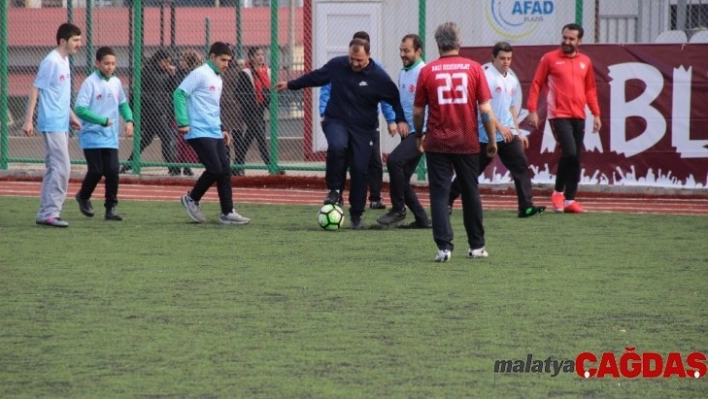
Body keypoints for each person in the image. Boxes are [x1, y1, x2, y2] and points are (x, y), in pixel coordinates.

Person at [276, 38, 408, 229]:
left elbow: (394, 99)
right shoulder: (338, 65)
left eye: (359, 60)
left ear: (368, 57)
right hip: (335, 120)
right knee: (338, 146)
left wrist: (400, 119)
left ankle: (356, 215)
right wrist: (291, 84)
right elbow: (316, 77)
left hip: (364, 129)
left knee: (359, 170)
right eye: (352, 58)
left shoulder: (378, 77)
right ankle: (335, 190)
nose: (354, 63)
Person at [413, 21, 498, 262]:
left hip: (437, 141)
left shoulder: (427, 71)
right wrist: (491, 139)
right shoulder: (473, 69)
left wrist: (419, 135)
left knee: (439, 194)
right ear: (459, 43)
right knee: (470, 191)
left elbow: (418, 111)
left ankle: (444, 248)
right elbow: (485, 110)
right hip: (466, 140)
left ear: (438, 44)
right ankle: (476, 246)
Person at [448, 42, 546, 218]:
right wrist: (500, 127)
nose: (506, 62)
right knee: (470, 173)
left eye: (509, 58)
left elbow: (511, 108)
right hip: (486, 135)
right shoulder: (487, 77)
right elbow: (484, 107)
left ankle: (525, 206)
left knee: (520, 165)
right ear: (493, 58)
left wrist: (517, 131)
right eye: (502, 58)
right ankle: (448, 200)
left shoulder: (512, 80)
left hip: (508, 134)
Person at [527, 23, 601, 214]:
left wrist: (596, 113)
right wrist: (532, 110)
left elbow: (590, 89)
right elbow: (536, 83)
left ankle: (570, 200)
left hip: (579, 115)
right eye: (565, 37)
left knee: (576, 158)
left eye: (571, 39)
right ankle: (558, 193)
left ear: (579, 41)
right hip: (558, 114)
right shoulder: (549, 59)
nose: (566, 41)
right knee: (569, 152)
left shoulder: (586, 61)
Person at [174, 41, 251, 225]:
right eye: (223, 60)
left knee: (224, 170)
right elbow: (179, 94)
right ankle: (191, 199)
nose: (226, 64)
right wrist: (183, 122)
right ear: (212, 57)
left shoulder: (218, 78)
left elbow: (212, 107)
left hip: (214, 130)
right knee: (215, 169)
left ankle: (227, 212)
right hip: (198, 131)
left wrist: (222, 128)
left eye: (228, 60)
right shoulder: (200, 73)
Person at [319, 31, 395, 209]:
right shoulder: (340, 68)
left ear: (368, 51)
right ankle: (337, 193)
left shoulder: (377, 69)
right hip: (344, 122)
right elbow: (326, 88)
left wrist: (391, 119)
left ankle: (375, 198)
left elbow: (385, 97)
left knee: (373, 161)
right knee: (341, 155)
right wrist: (324, 112)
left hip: (367, 125)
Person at [22, 23, 83, 228]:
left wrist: (71, 116)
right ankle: (50, 212)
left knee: (54, 168)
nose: (79, 44)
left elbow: (60, 95)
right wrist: (28, 119)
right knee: (62, 167)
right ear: (63, 41)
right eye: (75, 40)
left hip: (61, 121)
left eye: (79, 40)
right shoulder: (51, 62)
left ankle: (46, 212)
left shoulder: (64, 61)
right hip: (51, 122)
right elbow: (35, 89)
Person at [376, 33, 432, 229]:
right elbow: (402, 102)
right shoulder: (403, 72)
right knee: (403, 178)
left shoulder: (424, 73)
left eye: (406, 51)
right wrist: (399, 120)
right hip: (409, 133)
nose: (402, 54)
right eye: (401, 50)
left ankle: (398, 209)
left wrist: (425, 134)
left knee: (394, 161)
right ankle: (422, 219)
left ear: (418, 51)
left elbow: (432, 105)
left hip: (422, 133)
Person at [74, 46, 134, 221]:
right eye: (106, 63)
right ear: (97, 63)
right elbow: (80, 109)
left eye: (113, 64)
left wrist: (129, 120)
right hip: (91, 135)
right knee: (96, 171)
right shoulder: (90, 82)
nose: (110, 67)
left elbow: (122, 104)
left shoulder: (116, 82)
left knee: (113, 170)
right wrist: (102, 120)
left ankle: (111, 209)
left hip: (110, 137)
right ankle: (83, 196)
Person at [120, 48, 179, 176]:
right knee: (167, 137)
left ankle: (128, 164)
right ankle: (172, 167)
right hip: (151, 111)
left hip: (161, 111)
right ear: (158, 60)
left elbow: (172, 89)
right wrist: (153, 101)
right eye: (165, 61)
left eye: (169, 62)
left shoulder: (165, 72)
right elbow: (138, 92)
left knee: (146, 140)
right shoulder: (147, 71)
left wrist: (173, 75)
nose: (167, 64)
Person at [234, 47, 279, 176]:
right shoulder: (245, 72)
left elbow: (270, 91)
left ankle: (237, 165)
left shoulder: (268, 72)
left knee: (248, 139)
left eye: (262, 54)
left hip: (260, 110)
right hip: (249, 111)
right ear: (251, 57)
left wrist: (267, 100)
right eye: (257, 55)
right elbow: (238, 93)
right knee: (260, 137)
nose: (261, 57)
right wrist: (250, 102)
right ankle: (271, 166)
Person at [172, 49, 204, 177]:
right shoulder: (179, 73)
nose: (180, 63)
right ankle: (176, 166)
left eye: (183, 61)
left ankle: (186, 166)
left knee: (187, 142)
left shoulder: (194, 75)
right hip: (179, 113)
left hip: (191, 113)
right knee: (178, 141)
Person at [221, 56, 247, 176]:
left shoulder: (237, 71)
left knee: (237, 137)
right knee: (226, 136)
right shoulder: (221, 71)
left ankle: (239, 165)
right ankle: (228, 164)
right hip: (224, 107)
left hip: (234, 107)